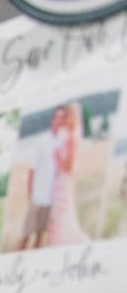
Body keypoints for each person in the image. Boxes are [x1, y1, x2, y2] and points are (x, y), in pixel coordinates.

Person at [45, 103, 90, 246]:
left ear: (74, 117)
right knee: (61, 215)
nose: (65, 120)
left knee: (60, 215)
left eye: (68, 116)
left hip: (63, 181)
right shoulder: (68, 134)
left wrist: (58, 157)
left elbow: (69, 166)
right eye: (65, 117)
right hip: (60, 180)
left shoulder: (72, 136)